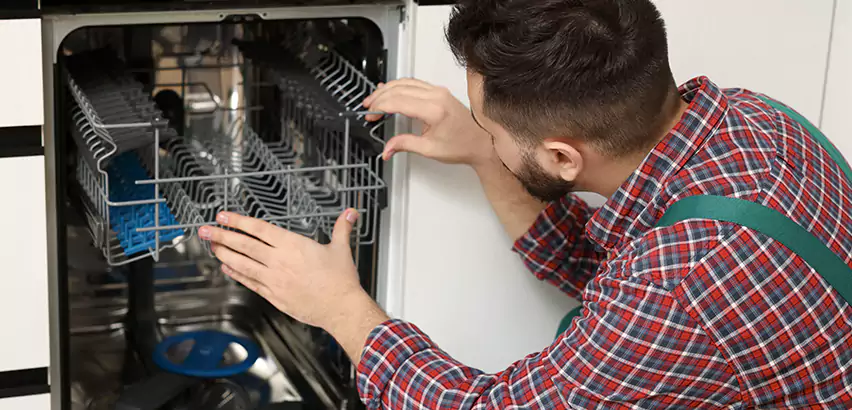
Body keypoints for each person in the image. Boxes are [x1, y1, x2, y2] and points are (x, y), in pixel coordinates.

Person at [196, 0, 852, 408]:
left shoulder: (676, 285)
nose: (478, 128)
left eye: (490, 125)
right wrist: (489, 154)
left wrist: (341, 308)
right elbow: (604, 273)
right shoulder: (749, 119)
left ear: (564, 158)